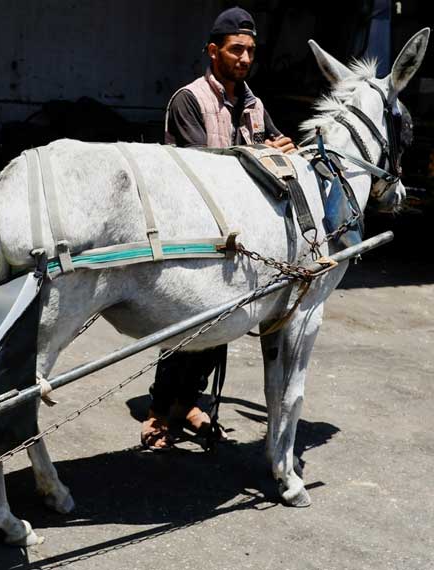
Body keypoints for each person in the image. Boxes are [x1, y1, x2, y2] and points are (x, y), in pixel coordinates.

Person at [141, 6, 295, 449]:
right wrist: (259, 152)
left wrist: (282, 146)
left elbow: (278, 147)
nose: (245, 59)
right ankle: (157, 411)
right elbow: (198, 168)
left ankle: (189, 403)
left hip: (238, 236)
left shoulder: (254, 103)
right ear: (213, 51)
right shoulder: (188, 100)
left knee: (222, 326)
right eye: (235, 50)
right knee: (185, 326)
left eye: (250, 51)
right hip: (189, 233)